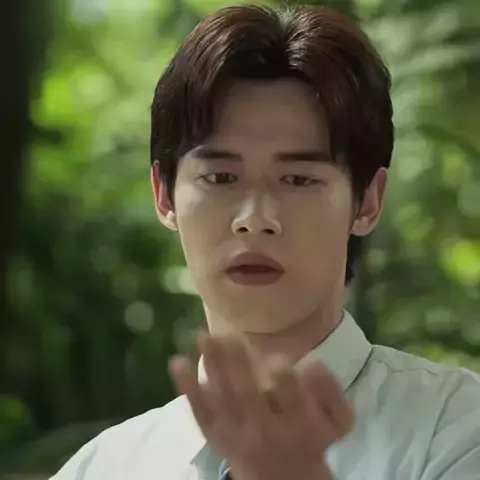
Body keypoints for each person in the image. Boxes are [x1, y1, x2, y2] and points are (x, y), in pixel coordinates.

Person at [51, 4, 480, 480]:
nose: (255, 220)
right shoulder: (104, 467)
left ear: (367, 202)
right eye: (220, 177)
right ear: (164, 194)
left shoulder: (457, 429)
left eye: (298, 179)